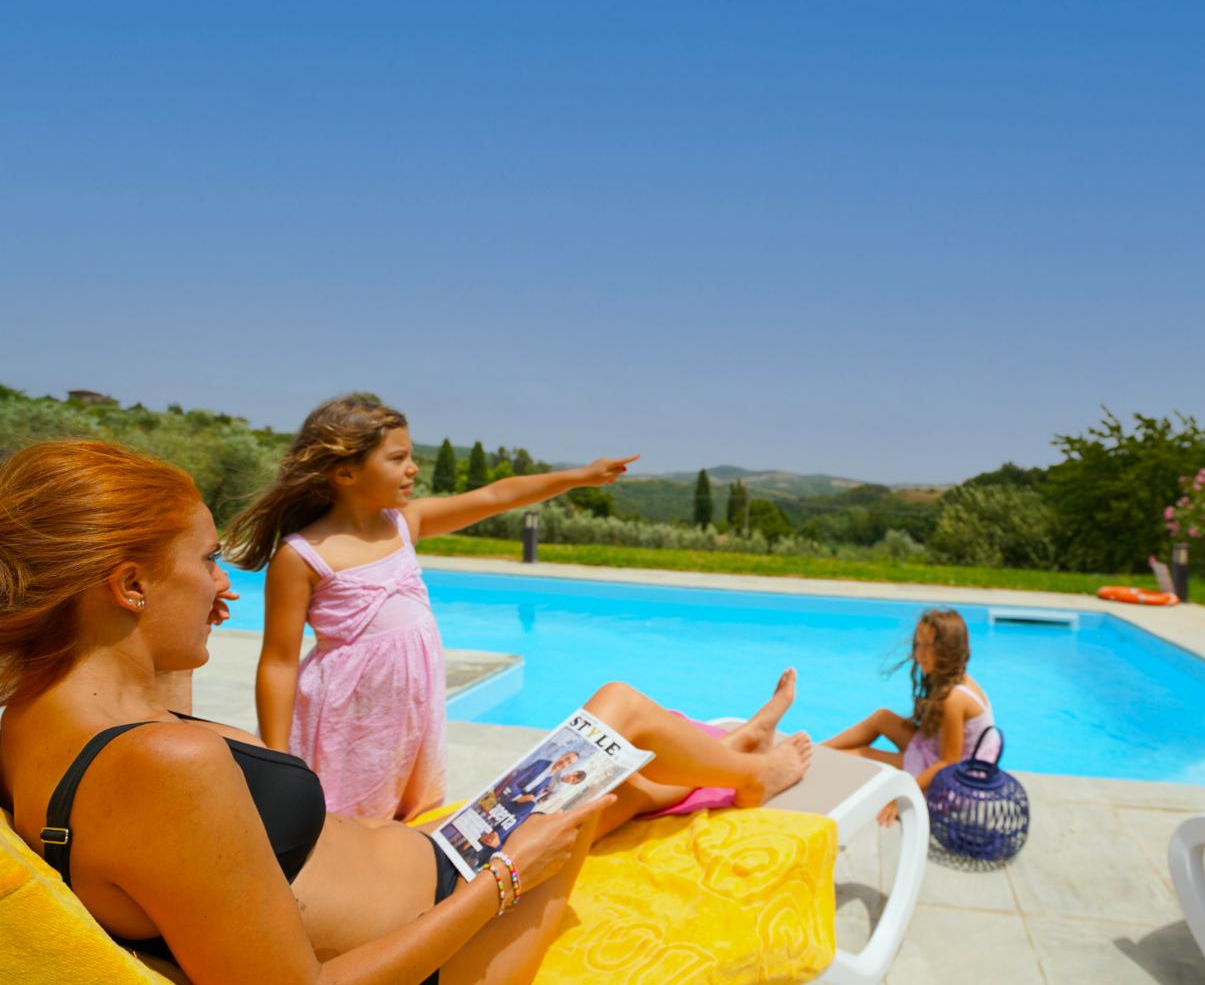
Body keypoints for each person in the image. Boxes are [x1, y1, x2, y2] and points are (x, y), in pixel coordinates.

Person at [0, 440, 813, 983]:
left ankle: (731, 754)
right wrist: (506, 876)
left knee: (607, 777)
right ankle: (749, 768)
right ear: (130, 586)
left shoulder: (39, 721)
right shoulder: (163, 769)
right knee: (612, 733)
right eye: (209, 560)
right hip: (450, 936)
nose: (227, 587)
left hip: (438, 857)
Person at [223, 393, 637, 820]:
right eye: (398, 458)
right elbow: (278, 662)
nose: (413, 469)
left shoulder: (404, 524)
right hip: (346, 719)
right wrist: (277, 759)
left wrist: (578, 476)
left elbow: (496, 496)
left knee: (406, 812)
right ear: (346, 472)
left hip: (406, 712)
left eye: (411, 456)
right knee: (345, 820)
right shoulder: (302, 555)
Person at [822, 608, 999, 825]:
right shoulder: (956, 678)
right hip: (936, 749)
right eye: (918, 645)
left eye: (929, 646)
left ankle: (817, 759)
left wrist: (902, 797)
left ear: (948, 650)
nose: (920, 654)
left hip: (951, 775)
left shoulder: (953, 699)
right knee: (883, 717)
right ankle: (817, 750)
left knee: (862, 753)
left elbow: (947, 764)